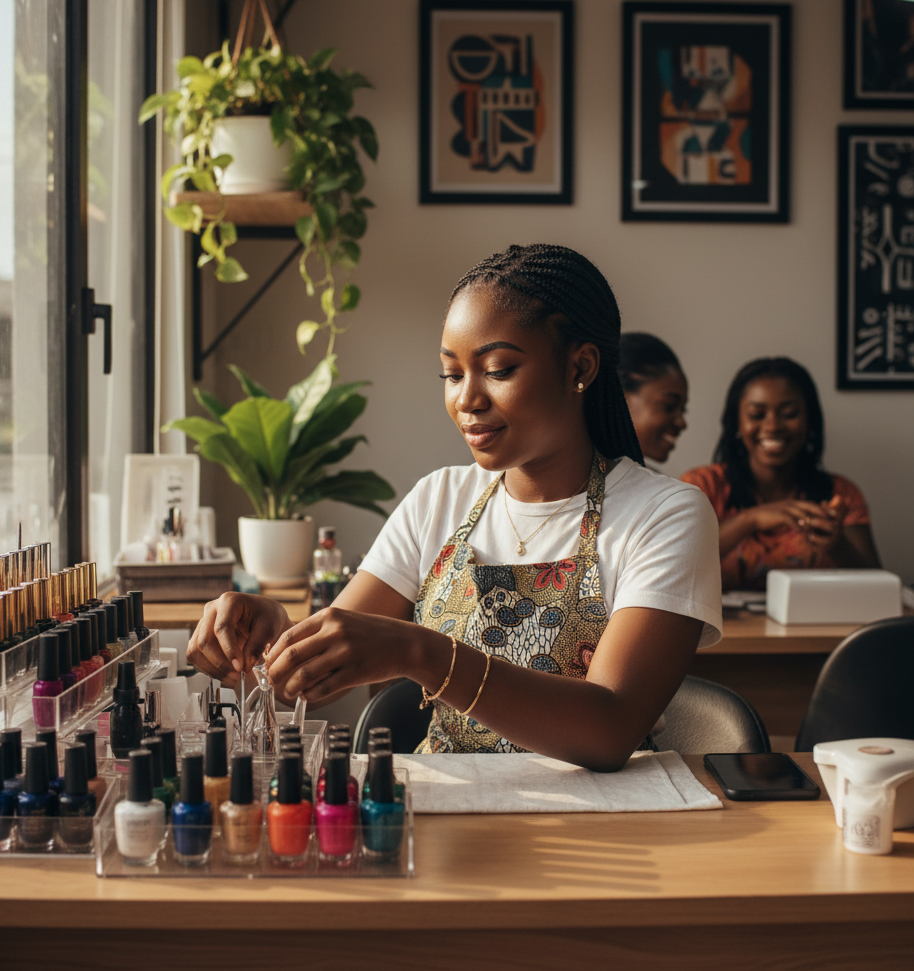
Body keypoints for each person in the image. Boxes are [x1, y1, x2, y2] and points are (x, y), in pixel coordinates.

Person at [188, 244, 722, 771]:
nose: (467, 399)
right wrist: (271, 640)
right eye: (451, 374)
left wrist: (421, 652)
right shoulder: (438, 500)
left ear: (580, 366)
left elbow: (609, 729)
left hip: (611, 831)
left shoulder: (665, 514)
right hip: (450, 820)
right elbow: (316, 676)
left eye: (497, 368)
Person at [681, 357, 880, 591]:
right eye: (757, 414)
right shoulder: (702, 486)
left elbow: (876, 584)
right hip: (722, 628)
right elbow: (675, 563)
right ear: (736, 422)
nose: (773, 426)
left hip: (815, 627)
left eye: (789, 413)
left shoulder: (840, 492)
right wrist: (749, 520)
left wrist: (836, 544)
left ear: (809, 421)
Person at [618, 332, 688, 465]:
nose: (682, 423)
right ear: (619, 399)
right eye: (669, 406)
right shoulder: (573, 478)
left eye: (683, 410)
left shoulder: (660, 484)